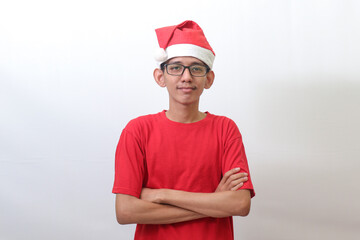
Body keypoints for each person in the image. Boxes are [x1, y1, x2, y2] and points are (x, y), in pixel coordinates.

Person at [112, 20, 255, 240]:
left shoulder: (226, 129)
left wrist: (161, 195)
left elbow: (239, 204)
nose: (186, 77)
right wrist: (213, 201)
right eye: (176, 67)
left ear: (208, 79)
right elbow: (126, 211)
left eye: (196, 68)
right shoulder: (137, 131)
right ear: (161, 77)